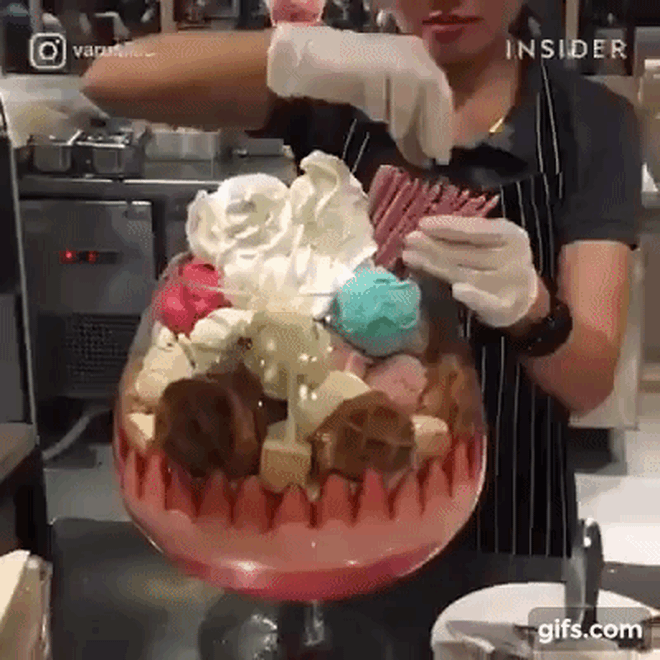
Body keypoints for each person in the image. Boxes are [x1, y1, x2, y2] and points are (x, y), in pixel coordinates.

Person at [81, 0, 641, 560]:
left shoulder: (588, 123)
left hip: (508, 510)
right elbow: (108, 81)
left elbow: (589, 385)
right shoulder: (338, 90)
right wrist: (307, 52)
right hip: (331, 506)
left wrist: (532, 310)